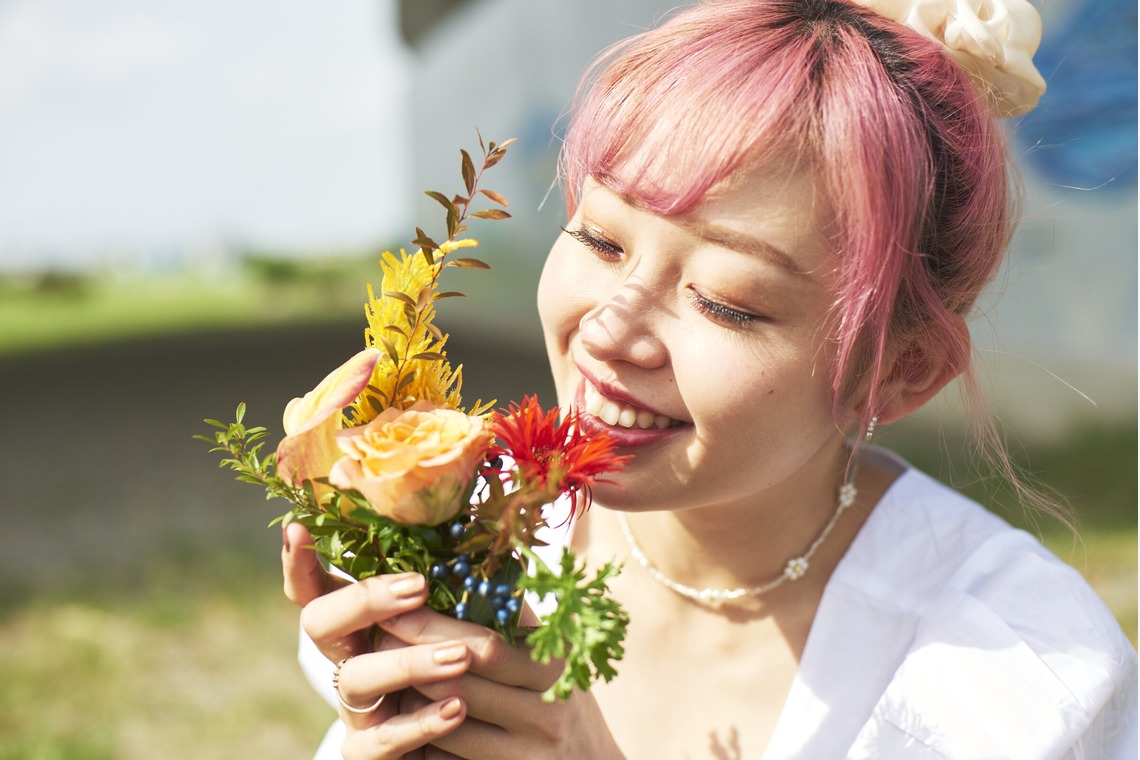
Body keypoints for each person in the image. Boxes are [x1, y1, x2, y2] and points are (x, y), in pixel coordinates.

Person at [281, 1, 1138, 757]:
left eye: (727, 302)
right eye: (600, 240)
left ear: (895, 372)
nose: (612, 329)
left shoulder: (1018, 682)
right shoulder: (472, 528)